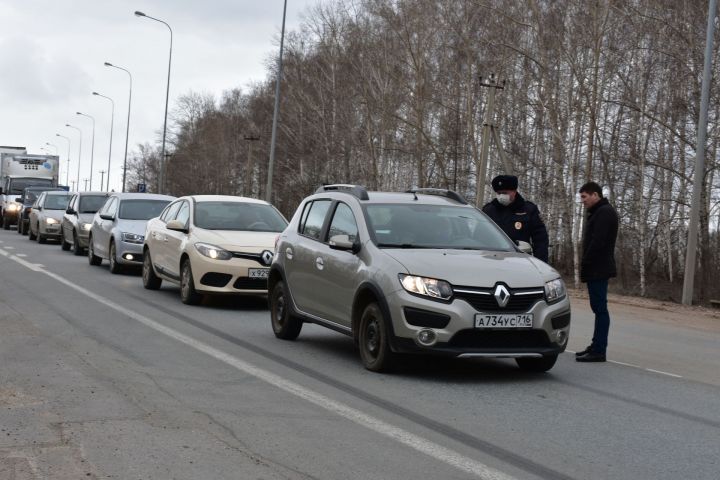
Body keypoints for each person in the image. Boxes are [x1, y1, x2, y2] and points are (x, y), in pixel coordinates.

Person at [576, 181, 619, 363]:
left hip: (598, 268)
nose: (583, 201)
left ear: (595, 195)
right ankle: (595, 346)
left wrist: (586, 261)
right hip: (596, 267)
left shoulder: (605, 212)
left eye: (584, 197)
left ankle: (599, 350)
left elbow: (598, 241)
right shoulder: (600, 212)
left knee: (600, 309)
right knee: (598, 308)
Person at [482, 175, 549, 263]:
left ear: (514, 191)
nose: (502, 196)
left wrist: (540, 263)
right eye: (499, 193)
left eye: (505, 193)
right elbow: (478, 236)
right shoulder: (488, 210)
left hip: (520, 260)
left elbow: (540, 240)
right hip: (492, 259)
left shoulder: (529, 210)